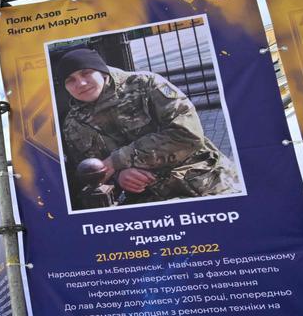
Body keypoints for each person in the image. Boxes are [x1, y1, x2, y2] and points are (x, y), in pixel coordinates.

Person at [54, 47, 239, 210]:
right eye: (70, 80)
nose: (81, 83)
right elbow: (91, 172)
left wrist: (118, 160)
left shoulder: (146, 85)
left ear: (102, 72)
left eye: (86, 73)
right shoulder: (73, 124)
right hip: (147, 203)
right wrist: (119, 176)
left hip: (206, 183)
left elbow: (188, 134)